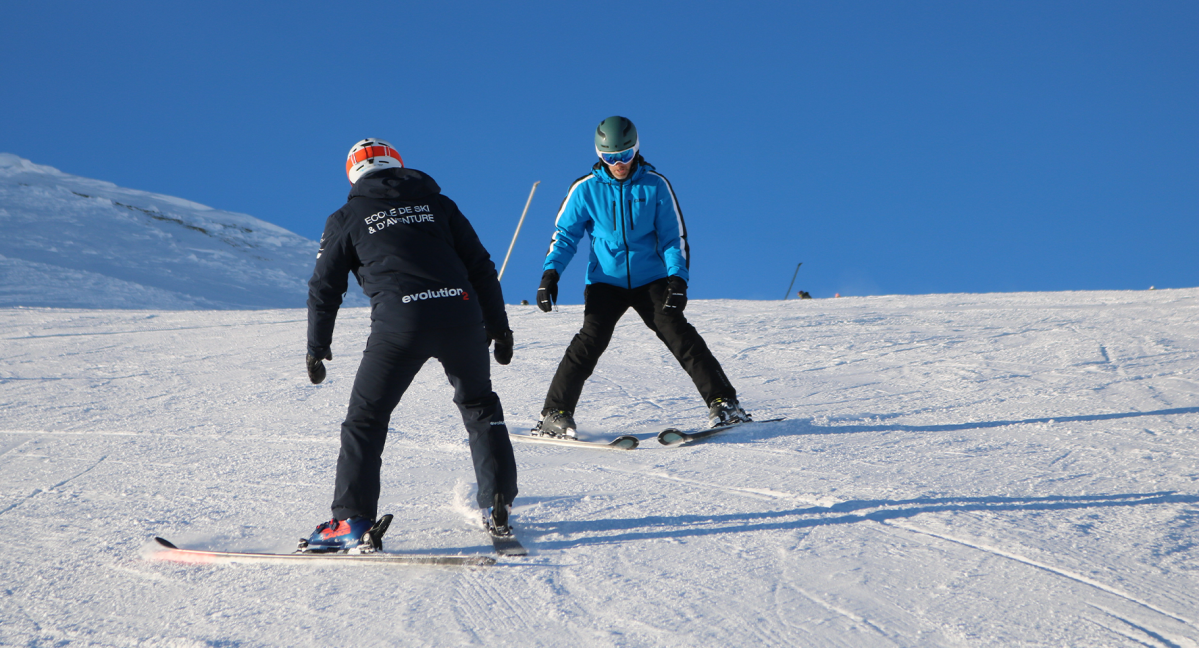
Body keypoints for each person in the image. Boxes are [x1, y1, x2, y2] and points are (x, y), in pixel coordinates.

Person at [303, 138, 518, 551]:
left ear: (352, 173)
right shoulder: (440, 204)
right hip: (461, 316)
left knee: (366, 420)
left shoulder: (347, 215)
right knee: (479, 407)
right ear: (398, 165)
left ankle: (350, 522)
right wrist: (500, 328)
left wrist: (317, 346)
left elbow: (324, 287)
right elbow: (481, 267)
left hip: (400, 325)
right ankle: (497, 506)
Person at [532, 116, 748, 439]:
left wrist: (678, 280)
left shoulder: (655, 186)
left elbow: (674, 238)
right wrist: (550, 275)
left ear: (637, 149)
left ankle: (725, 403)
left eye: (625, 155)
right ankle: (555, 413)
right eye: (610, 158)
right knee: (590, 340)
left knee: (678, 334)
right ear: (599, 155)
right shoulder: (585, 190)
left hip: (652, 279)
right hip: (605, 281)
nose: (619, 164)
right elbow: (564, 237)